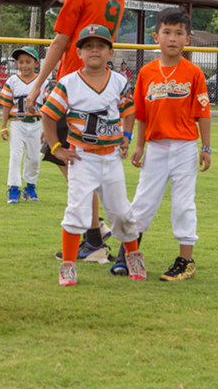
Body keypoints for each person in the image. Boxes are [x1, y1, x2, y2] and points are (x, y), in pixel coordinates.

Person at [27, 0, 127, 261]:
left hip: (76, 83)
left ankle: (94, 235)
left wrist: (39, 82)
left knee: (73, 160)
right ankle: (96, 231)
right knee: (74, 158)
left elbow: (59, 40)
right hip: (100, 84)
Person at [41, 24, 143, 287]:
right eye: (88, 46)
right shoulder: (69, 82)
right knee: (77, 211)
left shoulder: (119, 81)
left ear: (110, 52)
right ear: (79, 52)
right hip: (82, 157)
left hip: (110, 158)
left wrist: (127, 136)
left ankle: (133, 256)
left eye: (100, 46)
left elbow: (129, 110)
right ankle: (69, 265)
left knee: (122, 212)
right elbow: (48, 114)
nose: (94, 50)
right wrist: (56, 148)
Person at [118, 8, 212, 281]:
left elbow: (203, 112)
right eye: (167, 32)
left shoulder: (194, 73)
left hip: (184, 147)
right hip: (156, 147)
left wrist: (206, 148)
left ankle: (186, 261)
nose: (173, 38)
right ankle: (129, 254)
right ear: (156, 36)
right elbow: (142, 114)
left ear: (188, 39)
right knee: (143, 200)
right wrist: (139, 146)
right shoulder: (147, 73)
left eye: (179, 33)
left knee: (183, 203)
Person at [0, 46, 43, 204]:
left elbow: (49, 106)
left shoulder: (41, 82)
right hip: (17, 123)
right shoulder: (12, 81)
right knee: (15, 157)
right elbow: (6, 105)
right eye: (21, 62)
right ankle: (13, 188)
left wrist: (48, 130)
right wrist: (4, 126)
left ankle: (30, 186)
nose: (24, 65)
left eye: (28, 62)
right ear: (16, 63)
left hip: (37, 124)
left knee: (35, 157)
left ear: (36, 63)